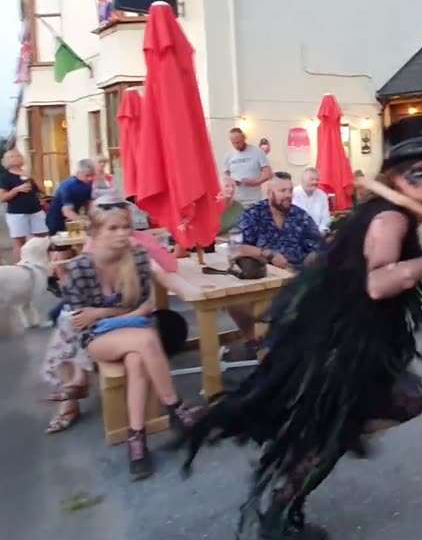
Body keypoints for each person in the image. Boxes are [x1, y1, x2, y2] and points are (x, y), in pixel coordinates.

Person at [181, 115, 422, 540]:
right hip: (340, 346)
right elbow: (379, 283)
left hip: (350, 340)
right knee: (344, 425)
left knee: (373, 412)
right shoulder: (389, 219)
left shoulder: (391, 212)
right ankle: (280, 512)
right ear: (395, 174)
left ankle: (301, 465)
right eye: (419, 171)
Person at [61, 203, 204, 480]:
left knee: (137, 359)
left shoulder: (137, 257)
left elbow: (144, 307)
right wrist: (113, 315)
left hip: (133, 329)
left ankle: (136, 440)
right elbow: (81, 321)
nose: (122, 233)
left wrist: (103, 312)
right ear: (95, 232)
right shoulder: (79, 268)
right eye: (113, 228)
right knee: (147, 340)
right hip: (97, 337)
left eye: (126, 227)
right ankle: (176, 408)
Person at [224, 172, 324, 353]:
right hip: (260, 276)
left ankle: (291, 344)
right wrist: (267, 254)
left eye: (290, 190)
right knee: (234, 301)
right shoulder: (253, 214)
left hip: (295, 276)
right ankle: (253, 340)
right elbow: (236, 246)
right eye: (282, 190)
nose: (288, 195)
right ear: (269, 193)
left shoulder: (300, 216)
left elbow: (318, 246)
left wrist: (314, 257)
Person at [0, 148, 48, 263]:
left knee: (42, 238)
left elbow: (42, 191)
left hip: (36, 211)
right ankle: (20, 266)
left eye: (18, 155)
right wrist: (16, 190)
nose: (16, 157)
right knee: (20, 241)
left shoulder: (28, 174)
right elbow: (2, 198)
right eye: (12, 156)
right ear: (6, 161)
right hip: (17, 213)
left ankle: (42, 262)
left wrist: (34, 178)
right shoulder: (5, 177)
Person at [46, 160, 97, 237]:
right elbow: (67, 211)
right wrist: (83, 221)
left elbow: (88, 204)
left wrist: (94, 218)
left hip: (72, 219)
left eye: (92, 175)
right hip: (57, 220)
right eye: (87, 176)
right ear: (79, 173)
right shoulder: (68, 186)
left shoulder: (88, 185)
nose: (90, 178)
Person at [223, 128, 272, 207]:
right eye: (233, 143)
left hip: (254, 200)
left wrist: (254, 182)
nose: (236, 146)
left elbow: (268, 174)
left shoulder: (257, 152)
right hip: (235, 200)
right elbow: (226, 176)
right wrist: (232, 183)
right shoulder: (229, 155)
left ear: (244, 138)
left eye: (238, 142)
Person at [293, 167, 332, 235]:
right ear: (303, 181)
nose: (315, 182)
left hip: (319, 234)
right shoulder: (293, 194)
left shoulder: (322, 195)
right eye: (311, 179)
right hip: (298, 234)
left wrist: (321, 230)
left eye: (317, 179)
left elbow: (325, 218)